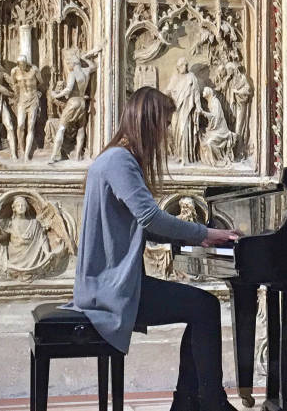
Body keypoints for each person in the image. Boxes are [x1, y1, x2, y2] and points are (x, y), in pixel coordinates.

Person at [63, 87, 241, 411]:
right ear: (149, 121)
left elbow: (144, 229)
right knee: (204, 308)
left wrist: (189, 239)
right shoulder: (120, 160)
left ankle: (190, 402)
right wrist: (205, 233)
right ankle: (209, 402)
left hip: (104, 285)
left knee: (200, 308)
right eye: (165, 123)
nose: (166, 132)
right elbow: (150, 218)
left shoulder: (114, 158)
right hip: (111, 291)